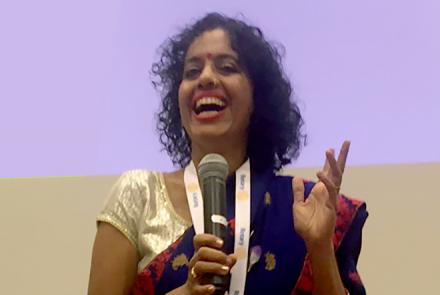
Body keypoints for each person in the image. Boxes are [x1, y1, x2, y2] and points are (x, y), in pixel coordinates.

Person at [88, 13, 368, 295]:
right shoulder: (139, 194)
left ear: (257, 98)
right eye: (192, 72)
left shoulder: (299, 207)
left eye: (227, 67)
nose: (206, 78)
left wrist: (319, 249)